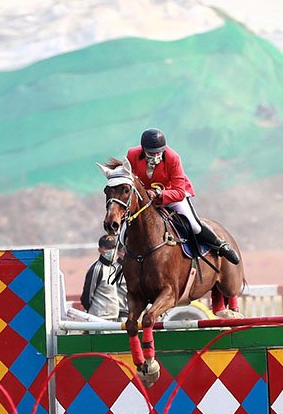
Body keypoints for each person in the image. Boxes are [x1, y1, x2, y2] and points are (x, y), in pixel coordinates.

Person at [125, 128, 240, 264]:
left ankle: (220, 245)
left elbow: (179, 191)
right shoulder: (132, 154)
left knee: (194, 225)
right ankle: (119, 260)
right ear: (143, 149)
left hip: (172, 194)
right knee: (126, 226)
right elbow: (128, 179)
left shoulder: (173, 158)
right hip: (145, 198)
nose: (155, 157)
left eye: (158, 153)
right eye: (151, 153)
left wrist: (158, 193)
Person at [80, 234, 122, 320]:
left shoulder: (112, 268)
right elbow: (87, 296)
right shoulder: (97, 269)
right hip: (100, 319)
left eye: (113, 247)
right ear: (100, 250)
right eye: (108, 248)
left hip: (113, 318)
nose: (111, 250)